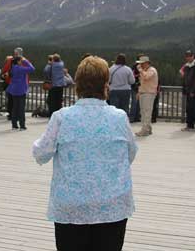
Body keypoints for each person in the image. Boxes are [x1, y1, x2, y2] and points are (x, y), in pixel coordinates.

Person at [32, 56, 137, 251]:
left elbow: (41, 153)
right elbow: (130, 153)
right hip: (112, 207)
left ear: (77, 84)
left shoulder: (62, 117)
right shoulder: (119, 117)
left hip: (71, 207)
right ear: (106, 84)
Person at [6, 54, 35, 130]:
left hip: (14, 90)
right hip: (21, 90)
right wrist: (26, 61)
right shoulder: (20, 68)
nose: (22, 62)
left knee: (15, 107)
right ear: (18, 61)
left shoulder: (13, 68)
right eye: (21, 61)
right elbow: (32, 69)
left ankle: (14, 125)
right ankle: (22, 125)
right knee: (21, 108)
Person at [135, 55, 158, 137]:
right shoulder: (144, 70)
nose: (140, 65)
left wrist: (140, 70)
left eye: (141, 63)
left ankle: (144, 130)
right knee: (143, 112)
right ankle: (148, 129)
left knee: (147, 112)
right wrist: (139, 92)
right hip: (143, 93)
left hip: (149, 93)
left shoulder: (152, 70)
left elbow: (146, 77)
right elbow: (142, 83)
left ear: (146, 63)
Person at [180, 50, 195, 131]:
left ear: (193, 56)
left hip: (194, 91)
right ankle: (190, 125)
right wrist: (185, 89)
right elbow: (185, 78)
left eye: (189, 56)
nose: (188, 58)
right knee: (189, 108)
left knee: (193, 108)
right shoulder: (186, 66)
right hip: (188, 90)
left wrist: (193, 91)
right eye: (187, 56)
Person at [2, 47, 25, 120]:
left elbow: (4, 70)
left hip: (10, 83)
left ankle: (11, 115)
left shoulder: (9, 60)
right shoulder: (24, 61)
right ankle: (18, 115)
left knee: (11, 100)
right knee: (19, 101)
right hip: (20, 84)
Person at [128, 54, 142, 123]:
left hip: (137, 86)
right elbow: (133, 76)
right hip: (135, 86)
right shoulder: (135, 67)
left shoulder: (134, 67)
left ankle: (136, 117)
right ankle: (132, 117)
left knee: (137, 103)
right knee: (135, 102)